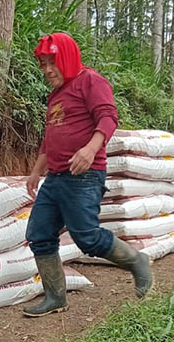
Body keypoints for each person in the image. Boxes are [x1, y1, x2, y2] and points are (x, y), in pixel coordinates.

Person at [22, 32, 152, 316]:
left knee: (87, 237)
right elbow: (50, 138)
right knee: (39, 234)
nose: (47, 70)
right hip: (55, 177)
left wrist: (91, 149)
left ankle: (137, 261)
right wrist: (36, 172)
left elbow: (108, 117)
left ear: (67, 58)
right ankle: (55, 297)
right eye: (44, 64)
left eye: (53, 63)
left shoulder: (90, 81)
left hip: (84, 175)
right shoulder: (56, 95)